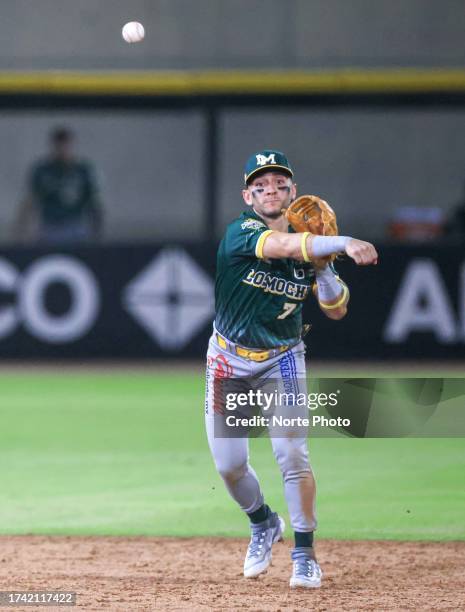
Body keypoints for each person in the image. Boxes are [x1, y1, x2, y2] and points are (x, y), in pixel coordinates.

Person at [205, 150, 378, 588]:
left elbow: (336, 310)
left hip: (282, 359)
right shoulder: (242, 231)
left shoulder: (311, 249)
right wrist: (340, 243)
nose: (271, 191)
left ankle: (305, 553)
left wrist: (324, 270)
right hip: (227, 360)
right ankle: (263, 522)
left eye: (280, 183)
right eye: (261, 185)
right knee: (229, 466)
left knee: (292, 455)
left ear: (293, 192)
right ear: (248, 195)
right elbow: (279, 246)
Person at [14, 127, 103, 245]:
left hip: (76, 225)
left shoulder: (83, 170)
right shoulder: (43, 170)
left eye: (66, 144)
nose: (63, 149)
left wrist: (97, 230)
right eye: (59, 145)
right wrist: (21, 229)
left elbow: (94, 202)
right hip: (50, 227)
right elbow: (30, 200)